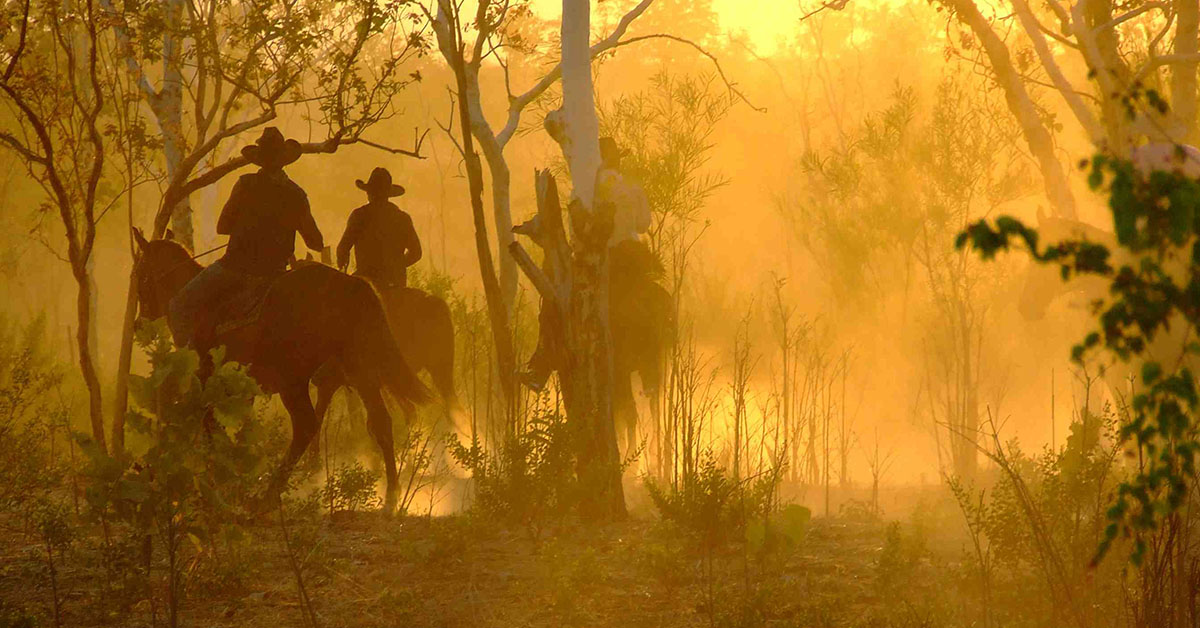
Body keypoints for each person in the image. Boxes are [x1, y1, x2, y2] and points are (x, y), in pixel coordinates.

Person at [169, 127, 324, 347]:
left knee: (179, 306)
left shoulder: (245, 184)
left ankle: (188, 359)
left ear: (260, 159)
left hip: (234, 269)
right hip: (274, 275)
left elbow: (222, 226)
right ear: (283, 159)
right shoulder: (296, 194)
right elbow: (315, 242)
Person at [336, 166, 421, 289]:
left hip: (366, 284)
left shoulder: (360, 215)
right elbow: (416, 252)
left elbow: (343, 249)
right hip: (396, 283)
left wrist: (343, 269)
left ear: (369, 192)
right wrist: (397, 265)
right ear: (388, 194)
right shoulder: (402, 218)